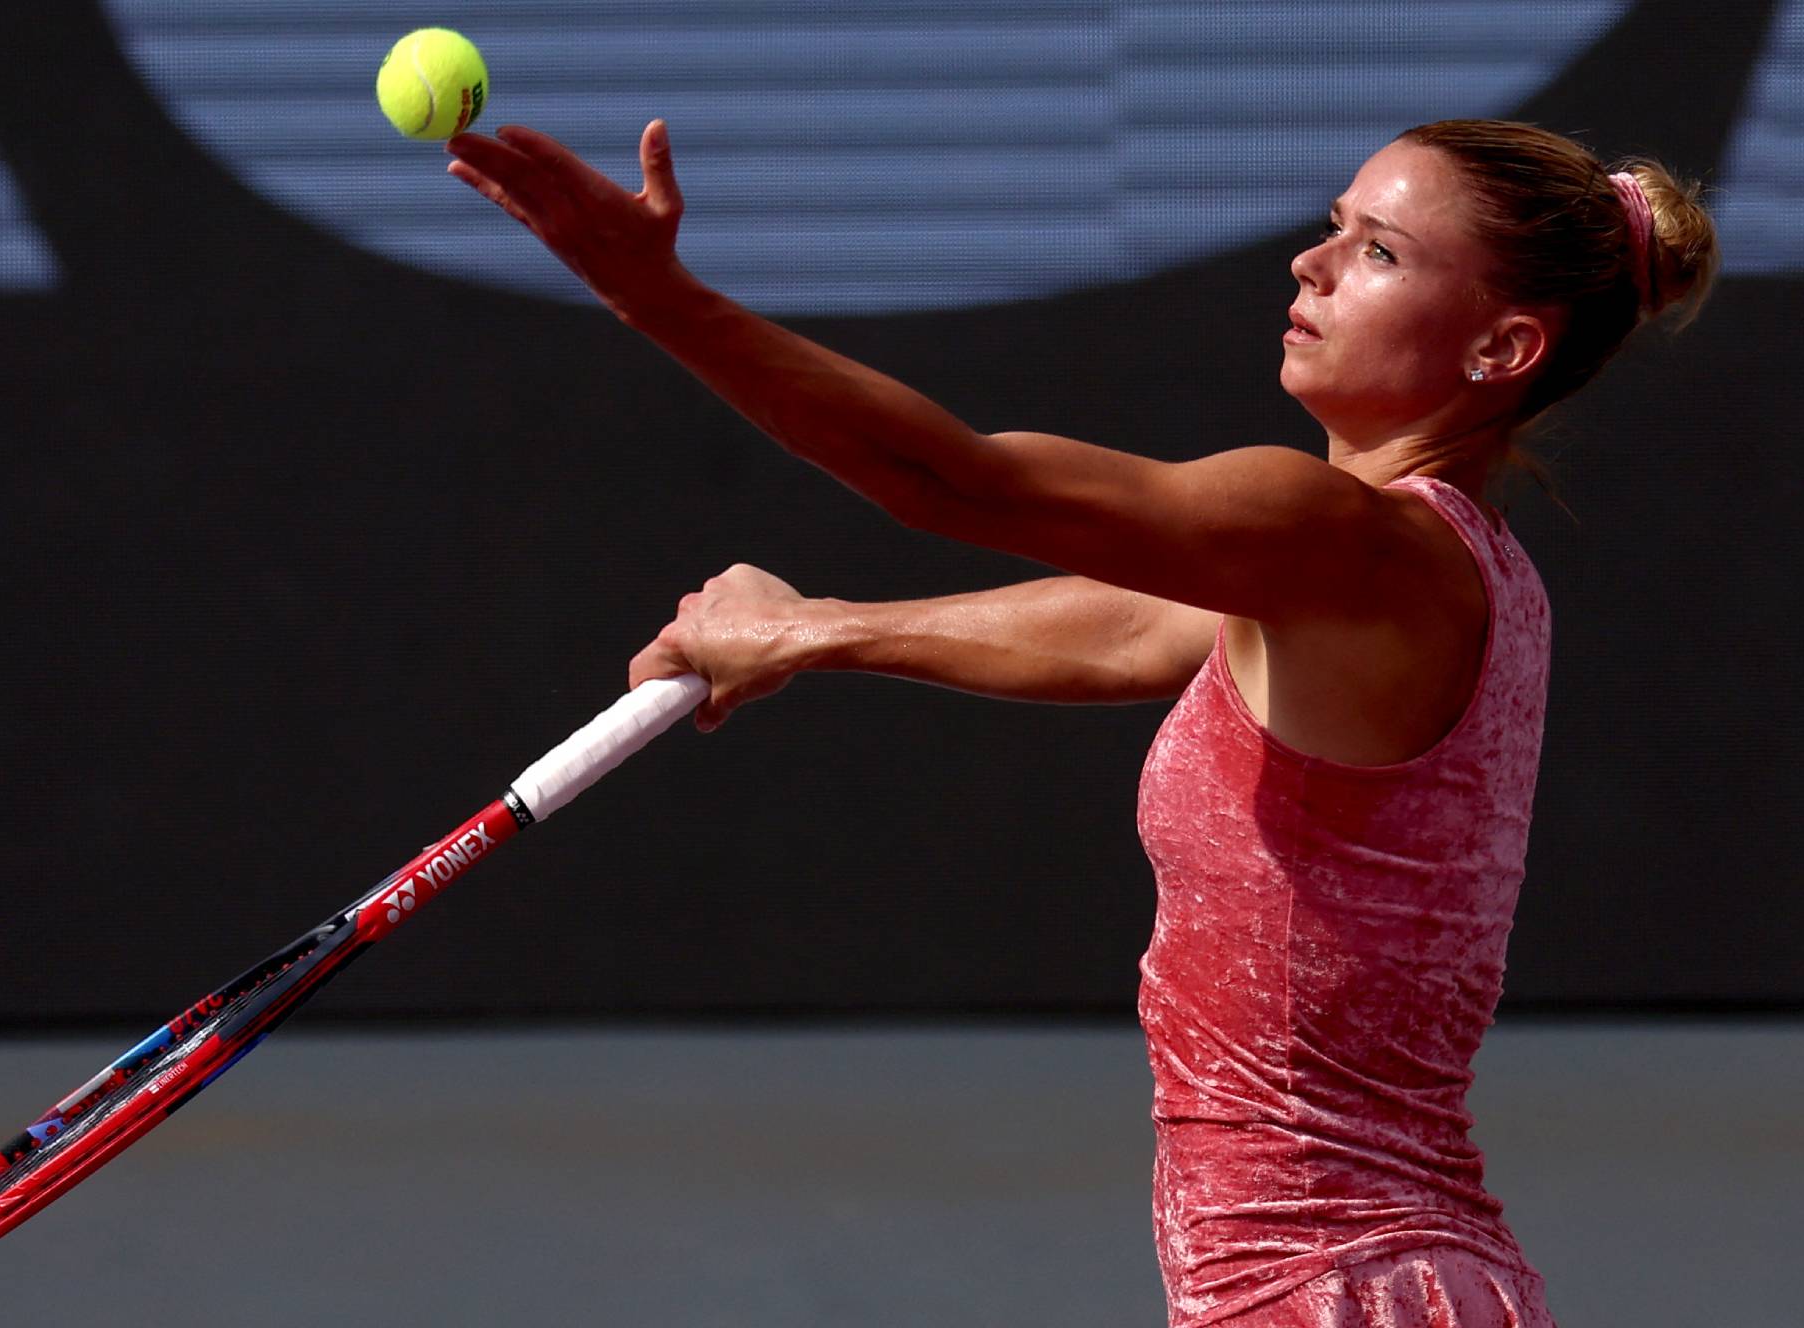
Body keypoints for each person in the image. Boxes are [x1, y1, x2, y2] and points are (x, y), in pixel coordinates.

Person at [446, 116, 1717, 1326]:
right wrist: (816, 627)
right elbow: (1125, 626)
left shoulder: (1349, 541)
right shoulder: (1423, 574)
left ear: (1497, 350)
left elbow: (952, 478)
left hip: (1324, 1290)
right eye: (1333, 224)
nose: (1311, 262)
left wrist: (658, 301)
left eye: (1377, 252)